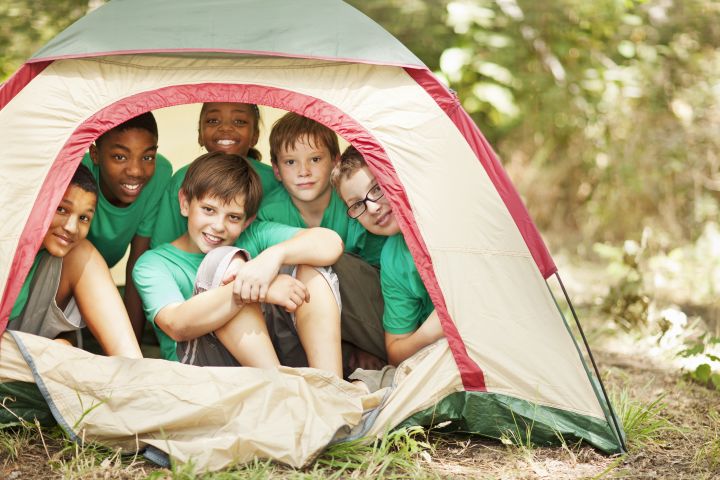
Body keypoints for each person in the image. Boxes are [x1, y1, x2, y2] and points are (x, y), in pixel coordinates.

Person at [134, 152, 344, 377]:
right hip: (202, 370)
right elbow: (176, 324)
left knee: (309, 264)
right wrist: (258, 290)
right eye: (208, 210)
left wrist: (272, 258)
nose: (218, 226)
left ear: (247, 221)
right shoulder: (154, 263)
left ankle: (331, 386)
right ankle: (281, 387)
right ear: (185, 203)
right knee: (223, 261)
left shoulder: (253, 234)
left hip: (271, 355)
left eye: (233, 217)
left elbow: (331, 242)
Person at [258, 112, 388, 371]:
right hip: (296, 315)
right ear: (277, 170)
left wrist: (363, 345)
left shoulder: (354, 204)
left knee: (315, 266)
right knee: (294, 271)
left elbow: (380, 278)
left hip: (367, 309)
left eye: (315, 159)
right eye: (291, 162)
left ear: (334, 162)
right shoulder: (269, 211)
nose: (304, 171)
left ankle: (339, 369)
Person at [8, 164, 143, 359]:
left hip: (23, 350)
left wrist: (66, 342)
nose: (72, 227)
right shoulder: (8, 238)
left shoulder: (73, 254)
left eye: (84, 218)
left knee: (82, 252)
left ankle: (137, 376)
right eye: (62, 209)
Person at [332, 147, 444, 366]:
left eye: (376, 188)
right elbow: (396, 350)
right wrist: (431, 331)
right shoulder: (393, 257)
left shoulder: (445, 216)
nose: (372, 207)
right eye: (356, 205)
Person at [82, 111, 173, 341]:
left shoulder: (160, 174)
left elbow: (138, 263)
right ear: (95, 154)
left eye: (147, 157)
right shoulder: (77, 169)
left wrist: (131, 344)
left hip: (106, 278)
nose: (136, 171)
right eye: (120, 157)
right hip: (65, 268)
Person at [150, 102, 281, 247]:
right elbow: (164, 246)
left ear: (255, 135)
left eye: (239, 122)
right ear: (200, 133)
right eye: (213, 121)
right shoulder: (182, 179)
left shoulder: (275, 180)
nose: (225, 128)